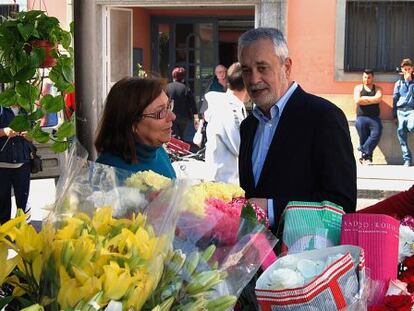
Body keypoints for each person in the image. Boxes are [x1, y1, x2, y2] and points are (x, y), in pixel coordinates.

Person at [237, 27, 357, 232]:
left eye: (262, 67)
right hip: (255, 259)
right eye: (247, 70)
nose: (254, 79)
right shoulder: (248, 126)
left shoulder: (323, 117)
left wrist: (272, 209)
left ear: (286, 67)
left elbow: (342, 204)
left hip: (307, 259)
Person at [95, 77, 176, 179]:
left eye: (168, 106)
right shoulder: (108, 172)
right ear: (132, 124)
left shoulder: (158, 152)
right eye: (160, 112)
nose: (172, 116)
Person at [204, 62, 248, 184]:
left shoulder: (226, 104)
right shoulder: (230, 108)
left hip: (221, 179)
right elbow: (242, 147)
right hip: (224, 183)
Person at [0, 105, 32, 224]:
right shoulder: (2, 109)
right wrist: (4, 131)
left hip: (22, 163)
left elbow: (33, 137)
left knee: (23, 203)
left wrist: (28, 135)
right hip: (2, 165)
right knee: (3, 205)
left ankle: (23, 232)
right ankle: (4, 235)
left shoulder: (26, 111)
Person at [353, 69, 383, 165]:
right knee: (363, 137)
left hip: (374, 117)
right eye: (365, 77)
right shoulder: (358, 88)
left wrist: (364, 99)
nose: (366, 79)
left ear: (372, 77)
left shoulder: (377, 88)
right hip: (361, 117)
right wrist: (372, 100)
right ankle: (368, 158)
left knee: (377, 133)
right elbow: (357, 100)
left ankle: (363, 150)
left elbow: (378, 99)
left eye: (369, 77)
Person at [166, 67, 199, 141]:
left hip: (171, 115)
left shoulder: (168, 87)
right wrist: (196, 117)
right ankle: (181, 149)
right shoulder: (186, 88)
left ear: (173, 76)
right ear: (183, 77)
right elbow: (192, 103)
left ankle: (174, 150)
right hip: (184, 116)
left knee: (173, 135)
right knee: (182, 135)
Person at [393, 58, 414, 167]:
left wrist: (410, 81)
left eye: (409, 69)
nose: (407, 71)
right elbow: (395, 99)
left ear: (412, 69)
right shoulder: (398, 83)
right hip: (400, 111)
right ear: (402, 70)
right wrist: (394, 115)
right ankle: (407, 158)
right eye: (405, 69)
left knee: (412, 126)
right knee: (401, 133)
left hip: (411, 110)